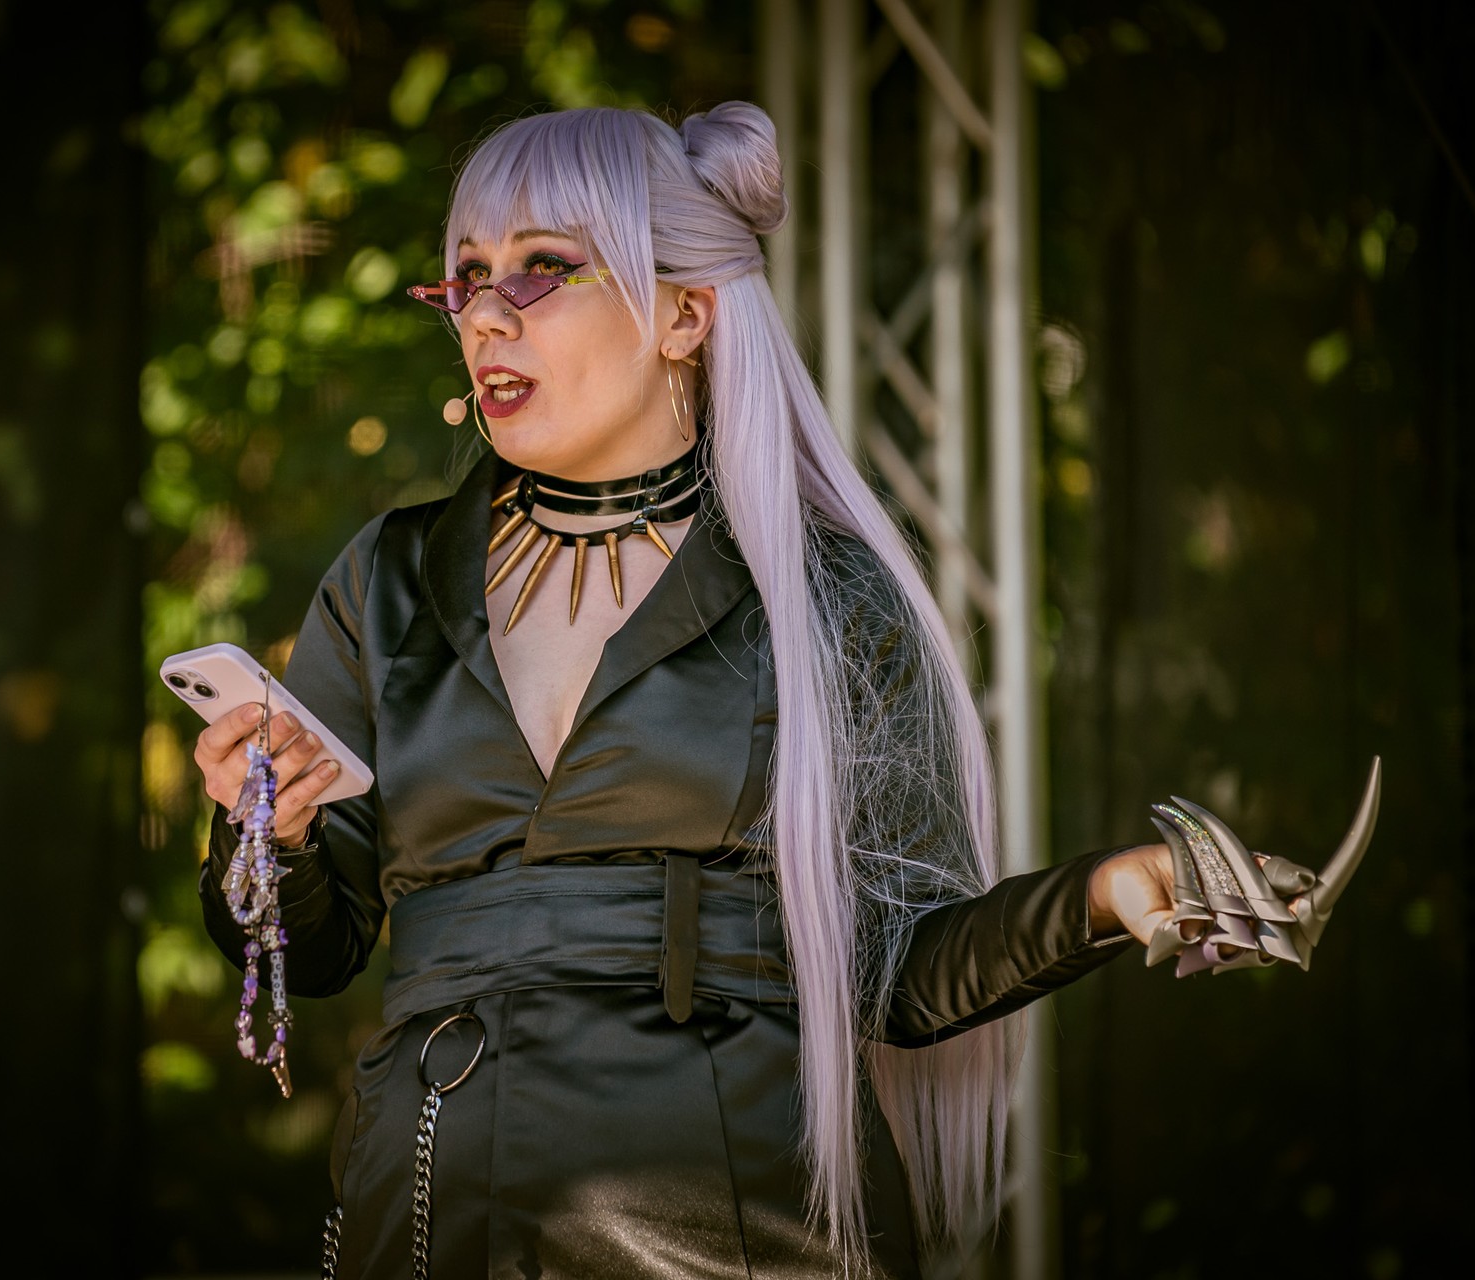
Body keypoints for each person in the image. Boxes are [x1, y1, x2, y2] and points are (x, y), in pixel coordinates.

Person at [192, 101, 1190, 1279]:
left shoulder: (822, 592)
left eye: (542, 268)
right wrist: (267, 827)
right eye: (464, 279)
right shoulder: (388, 578)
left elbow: (902, 966)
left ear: (684, 313)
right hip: (430, 1201)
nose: (486, 314)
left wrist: (1110, 893)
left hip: (738, 1221)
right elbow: (306, 950)